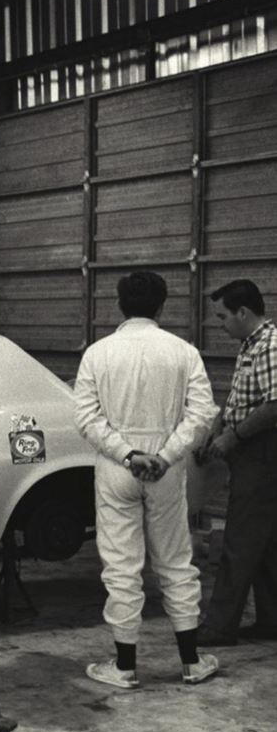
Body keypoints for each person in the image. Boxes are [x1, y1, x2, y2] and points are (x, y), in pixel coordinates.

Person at [73, 271, 219, 688]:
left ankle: (124, 667)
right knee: (175, 559)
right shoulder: (183, 351)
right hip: (166, 469)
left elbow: (85, 417)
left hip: (117, 466)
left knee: (121, 565)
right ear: (161, 305)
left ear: (120, 305)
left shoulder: (98, 354)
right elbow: (202, 414)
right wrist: (166, 455)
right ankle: (191, 662)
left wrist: (126, 453)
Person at [195, 279, 277, 646]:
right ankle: (272, 620)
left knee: (240, 540)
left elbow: (275, 406)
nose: (219, 324)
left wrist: (234, 436)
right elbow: (241, 399)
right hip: (253, 448)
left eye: (223, 316)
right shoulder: (251, 344)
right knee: (265, 542)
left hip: (263, 451)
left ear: (243, 312)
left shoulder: (271, 346)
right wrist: (217, 426)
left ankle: (219, 627)